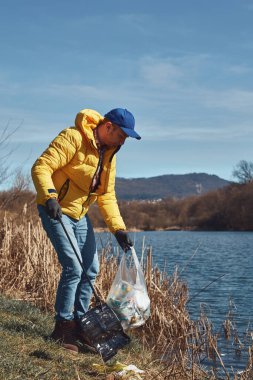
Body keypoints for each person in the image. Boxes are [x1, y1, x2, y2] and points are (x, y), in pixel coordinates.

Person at [31, 107, 141, 354]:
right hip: (55, 209)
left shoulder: (110, 154)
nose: (124, 141)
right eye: (122, 135)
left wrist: (118, 229)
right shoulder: (74, 137)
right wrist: (49, 196)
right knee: (73, 267)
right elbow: (42, 166)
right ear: (108, 126)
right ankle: (63, 328)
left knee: (91, 270)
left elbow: (107, 195)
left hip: (79, 215)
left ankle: (81, 325)